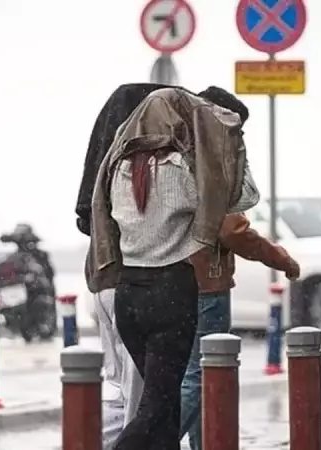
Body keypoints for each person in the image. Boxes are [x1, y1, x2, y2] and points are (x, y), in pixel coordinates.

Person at [88, 87, 260, 450]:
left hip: (128, 294)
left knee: (162, 409)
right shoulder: (184, 171)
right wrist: (228, 141)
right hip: (170, 292)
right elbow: (241, 197)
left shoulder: (118, 168)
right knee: (156, 406)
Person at [177, 87, 301, 450]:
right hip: (207, 285)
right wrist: (280, 259)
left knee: (192, 373)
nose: (238, 138)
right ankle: (153, 442)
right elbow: (233, 230)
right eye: (236, 129)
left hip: (175, 282)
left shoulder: (178, 151)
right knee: (203, 375)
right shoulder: (209, 161)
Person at [75, 83, 180, 448]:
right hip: (132, 286)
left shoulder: (106, 165)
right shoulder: (141, 168)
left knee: (119, 388)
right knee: (139, 397)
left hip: (104, 280)